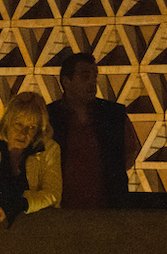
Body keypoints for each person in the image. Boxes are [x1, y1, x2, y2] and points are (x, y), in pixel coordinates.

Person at [47, 52, 140, 209]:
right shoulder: (48, 116)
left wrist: (111, 174)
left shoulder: (113, 114)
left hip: (107, 208)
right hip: (60, 208)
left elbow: (131, 149)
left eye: (94, 77)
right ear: (66, 82)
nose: (92, 83)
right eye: (85, 77)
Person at [0, 93, 62, 224]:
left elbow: (53, 194)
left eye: (32, 127)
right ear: (7, 121)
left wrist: (20, 205)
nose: (24, 133)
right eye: (18, 124)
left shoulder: (49, 149)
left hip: (34, 226)